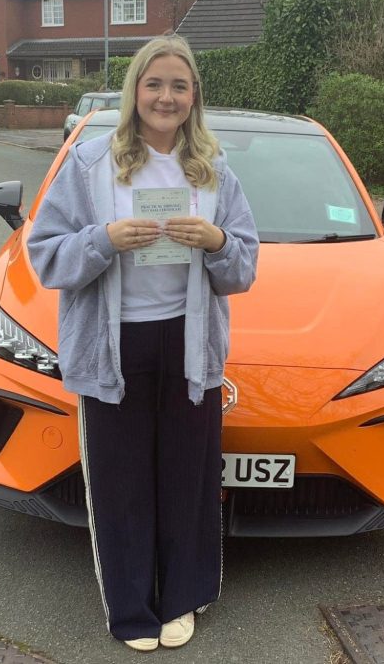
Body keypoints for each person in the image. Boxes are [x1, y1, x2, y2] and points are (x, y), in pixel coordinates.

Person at [26, 34, 258, 652]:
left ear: (194, 96)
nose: (166, 96)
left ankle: (183, 599)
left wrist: (215, 242)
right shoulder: (90, 163)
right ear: (135, 91)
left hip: (189, 347)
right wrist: (104, 238)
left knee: (189, 477)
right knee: (120, 481)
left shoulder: (214, 169)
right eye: (154, 83)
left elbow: (243, 270)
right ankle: (131, 609)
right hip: (113, 349)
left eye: (179, 85)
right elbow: (44, 259)